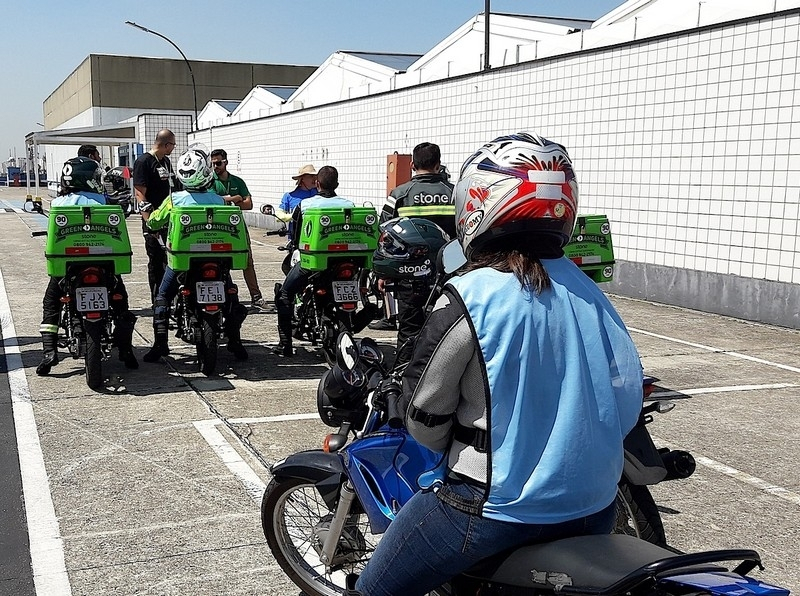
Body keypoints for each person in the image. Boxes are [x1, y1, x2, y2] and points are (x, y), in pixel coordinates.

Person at [350, 133, 644, 596]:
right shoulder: (591, 293)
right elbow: (626, 401)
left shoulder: (471, 295)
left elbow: (424, 413)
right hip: (595, 505)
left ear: (477, 204)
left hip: (488, 507)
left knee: (373, 591)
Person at [142, 148, 248, 363]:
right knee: (231, 294)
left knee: (162, 295)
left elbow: (154, 222)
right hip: (217, 259)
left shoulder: (174, 200)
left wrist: (147, 212)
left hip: (183, 262)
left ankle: (160, 343)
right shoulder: (219, 200)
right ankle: (235, 341)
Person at [37, 157, 138, 376]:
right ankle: (126, 349)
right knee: (120, 301)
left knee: (51, 302)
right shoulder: (104, 202)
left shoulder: (58, 204)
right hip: (104, 264)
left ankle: (49, 352)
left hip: (70, 265)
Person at [372, 142, 455, 356]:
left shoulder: (399, 194)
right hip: (448, 274)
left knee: (408, 332)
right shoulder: (455, 194)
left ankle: (404, 379)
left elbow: (385, 236)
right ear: (438, 164)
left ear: (412, 164)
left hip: (408, 275)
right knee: (447, 331)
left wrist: (382, 273)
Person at [272, 165, 353, 357]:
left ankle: (285, 345)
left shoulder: (306, 204)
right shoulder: (349, 204)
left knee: (284, 294)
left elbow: (298, 234)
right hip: (346, 260)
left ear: (317, 183)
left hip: (313, 262)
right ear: (337, 184)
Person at [209, 148, 266, 311]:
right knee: (218, 261)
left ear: (225, 162)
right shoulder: (209, 182)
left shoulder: (237, 181)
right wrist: (236, 199)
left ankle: (256, 297)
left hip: (237, 228)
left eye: (218, 163)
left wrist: (228, 201)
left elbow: (249, 204)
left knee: (247, 261)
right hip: (218, 228)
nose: (215, 167)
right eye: (213, 163)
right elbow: (214, 202)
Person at [132, 129, 181, 303]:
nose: (173, 148)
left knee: (172, 260)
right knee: (157, 262)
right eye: (173, 145)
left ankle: (174, 298)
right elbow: (140, 194)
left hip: (170, 219)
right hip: (154, 221)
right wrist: (150, 223)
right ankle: (158, 301)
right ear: (165, 144)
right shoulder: (144, 162)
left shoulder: (166, 162)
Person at [278, 164, 318, 242]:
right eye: (311, 176)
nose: (314, 179)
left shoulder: (320, 192)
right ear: (302, 178)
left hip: (315, 237)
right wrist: (294, 216)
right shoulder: (289, 195)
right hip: (295, 238)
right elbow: (279, 215)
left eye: (315, 176)